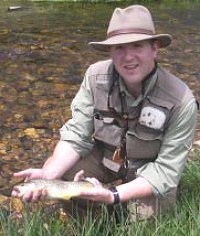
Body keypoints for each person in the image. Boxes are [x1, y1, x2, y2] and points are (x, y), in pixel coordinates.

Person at [12, 5, 198, 221]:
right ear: (110, 51)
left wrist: (112, 196)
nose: (128, 57)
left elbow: (166, 171)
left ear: (154, 48)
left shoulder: (181, 101)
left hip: (149, 169)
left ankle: (122, 207)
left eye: (137, 46)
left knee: (147, 224)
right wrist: (48, 175)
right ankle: (92, 226)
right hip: (107, 158)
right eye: (119, 47)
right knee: (63, 176)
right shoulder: (95, 77)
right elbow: (76, 134)